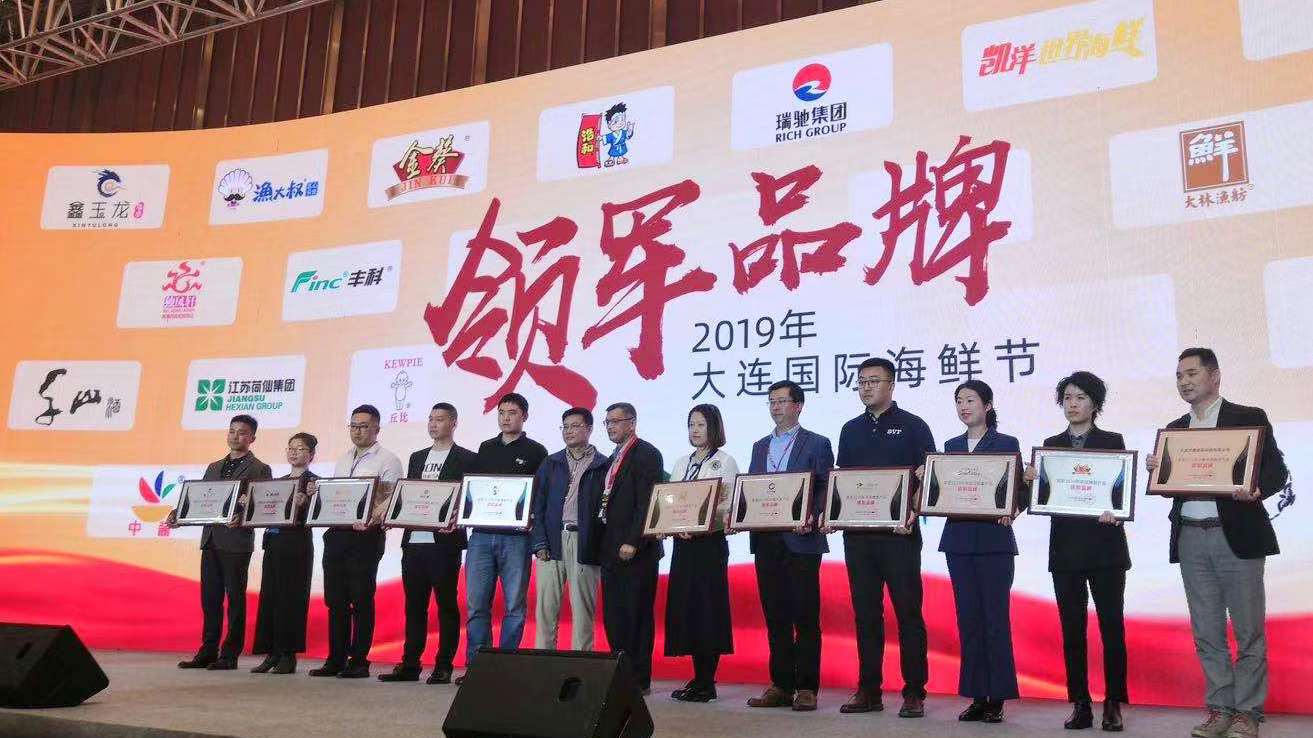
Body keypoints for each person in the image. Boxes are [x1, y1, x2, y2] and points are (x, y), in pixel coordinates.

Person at [1146, 349, 1288, 738]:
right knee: (1207, 632)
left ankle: (1248, 713)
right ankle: (1220, 710)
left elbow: (1276, 472)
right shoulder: (1175, 429)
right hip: (1191, 536)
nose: (1184, 382)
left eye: (1192, 373)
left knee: (1248, 631)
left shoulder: (1248, 417)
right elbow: (1170, 487)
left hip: (1236, 535)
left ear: (1215, 376)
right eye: (1179, 376)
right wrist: (1159, 471)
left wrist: (1256, 490)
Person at [1022, 372, 1129, 731]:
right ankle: (1080, 703)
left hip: (1106, 550)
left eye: (1080, 397)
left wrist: (1117, 511)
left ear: (1095, 404)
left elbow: (1120, 492)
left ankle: (1113, 702)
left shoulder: (1112, 442)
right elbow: (1042, 497)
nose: (1072, 404)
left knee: (1111, 627)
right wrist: (1031, 481)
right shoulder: (1050, 446)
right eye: (1067, 397)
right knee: (1072, 630)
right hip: (1066, 550)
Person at [832, 358, 936, 718]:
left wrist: (913, 512)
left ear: (891, 385)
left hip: (899, 535)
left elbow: (928, 478)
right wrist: (834, 514)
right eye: (861, 382)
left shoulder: (913, 426)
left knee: (908, 612)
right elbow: (843, 481)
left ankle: (914, 691)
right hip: (858, 537)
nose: (866, 388)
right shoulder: (850, 430)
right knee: (865, 614)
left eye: (874, 381)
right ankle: (869, 690)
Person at [744, 380, 834, 713]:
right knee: (775, 615)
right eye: (771, 402)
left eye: (782, 401)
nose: (776, 407)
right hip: (767, 540)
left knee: (805, 616)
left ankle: (807, 687)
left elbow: (825, 485)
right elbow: (752, 489)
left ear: (798, 406)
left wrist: (813, 513)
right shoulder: (759, 446)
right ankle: (781, 684)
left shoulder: (817, 443)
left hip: (802, 539)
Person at [938, 380, 1021, 723]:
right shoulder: (951, 446)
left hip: (994, 543)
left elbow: (1018, 490)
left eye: (970, 400)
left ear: (987, 405)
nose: (964, 407)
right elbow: (943, 491)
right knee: (968, 620)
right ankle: (976, 696)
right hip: (958, 542)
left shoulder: (1006, 443)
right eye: (959, 401)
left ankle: (997, 697)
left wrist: (1012, 509)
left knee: (995, 620)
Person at [378, 403, 476, 685]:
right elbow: (409, 494)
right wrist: (393, 514)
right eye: (430, 419)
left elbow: (469, 498)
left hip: (444, 543)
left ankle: (444, 665)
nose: (433, 424)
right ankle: (410, 664)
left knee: (446, 605)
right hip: (414, 541)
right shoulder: (417, 457)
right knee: (414, 606)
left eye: (440, 419)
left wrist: (457, 517)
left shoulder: (467, 458)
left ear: (453, 423)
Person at [457, 393, 548, 684]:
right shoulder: (485, 448)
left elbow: (540, 495)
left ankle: (506, 667)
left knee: (514, 606)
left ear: (525, 416)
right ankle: (477, 666)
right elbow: (473, 490)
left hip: (516, 539)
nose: (506, 418)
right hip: (481, 537)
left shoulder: (536, 451)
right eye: (501, 412)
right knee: (476, 604)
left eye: (512, 412)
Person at [308, 404, 403, 679]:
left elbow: (391, 497)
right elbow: (337, 496)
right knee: (335, 600)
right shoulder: (343, 458)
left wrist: (372, 518)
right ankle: (335, 658)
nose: (357, 431)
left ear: (376, 429)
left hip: (366, 536)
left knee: (361, 598)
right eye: (353, 426)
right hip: (337, 534)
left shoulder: (388, 459)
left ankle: (359, 660)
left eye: (363, 426)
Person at [175, 414, 272, 671]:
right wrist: (179, 515)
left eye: (242, 432)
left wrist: (243, 517)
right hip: (210, 539)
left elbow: (264, 507)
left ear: (252, 438)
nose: (235, 436)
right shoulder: (213, 467)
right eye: (231, 431)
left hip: (236, 542)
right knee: (210, 599)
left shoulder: (259, 468)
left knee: (235, 599)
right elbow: (200, 500)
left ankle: (230, 654)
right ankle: (208, 650)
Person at [665, 404, 739, 703]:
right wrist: (673, 525)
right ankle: (697, 678)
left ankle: (707, 681)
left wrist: (700, 525)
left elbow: (726, 506)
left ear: (714, 427)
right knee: (688, 609)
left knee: (708, 609)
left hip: (709, 545)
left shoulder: (725, 461)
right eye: (691, 424)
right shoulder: (681, 463)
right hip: (683, 545)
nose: (695, 430)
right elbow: (669, 503)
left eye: (701, 424)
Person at [592, 402, 664, 694]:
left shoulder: (646, 453)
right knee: (614, 615)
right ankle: (620, 673)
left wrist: (633, 540)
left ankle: (638, 678)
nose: (610, 427)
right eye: (607, 422)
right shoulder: (613, 457)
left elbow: (648, 502)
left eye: (616, 421)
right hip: (610, 547)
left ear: (632, 423)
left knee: (637, 616)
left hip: (637, 550)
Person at [530, 407, 607, 651]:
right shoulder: (551, 463)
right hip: (551, 541)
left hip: (583, 541)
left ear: (589, 429)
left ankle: (581, 662)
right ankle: (543, 659)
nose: (569, 431)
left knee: (583, 608)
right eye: (565, 426)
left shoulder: (603, 465)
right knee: (545, 608)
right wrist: (539, 542)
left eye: (575, 426)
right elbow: (537, 505)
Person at [250, 432, 318, 675]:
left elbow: (321, 513)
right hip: (273, 543)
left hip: (296, 545)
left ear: (311, 455)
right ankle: (272, 653)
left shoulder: (315, 483)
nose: (293, 452)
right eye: (290, 448)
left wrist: (308, 501)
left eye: (300, 448)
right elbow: (263, 511)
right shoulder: (277, 483)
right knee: (271, 597)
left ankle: (288, 655)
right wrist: (249, 504)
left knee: (292, 599)